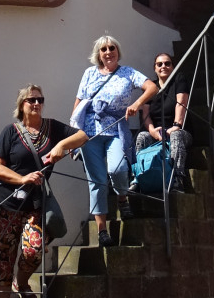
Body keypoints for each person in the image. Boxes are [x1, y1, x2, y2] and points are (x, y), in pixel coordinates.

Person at [0, 84, 86, 298]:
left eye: (40, 99)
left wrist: (61, 146)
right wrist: (22, 178)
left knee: (34, 249)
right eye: (31, 100)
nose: (36, 104)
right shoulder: (10, 132)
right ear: (21, 105)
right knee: (4, 260)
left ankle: (22, 284)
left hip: (35, 204)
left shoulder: (52, 128)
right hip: (8, 204)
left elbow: (82, 136)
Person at [73, 36, 156, 247]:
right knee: (97, 180)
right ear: (98, 54)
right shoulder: (89, 73)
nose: (108, 52)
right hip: (89, 132)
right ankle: (102, 231)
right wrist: (73, 132)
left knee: (118, 169)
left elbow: (151, 87)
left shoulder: (128, 72)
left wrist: (136, 104)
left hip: (116, 129)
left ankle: (121, 198)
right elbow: (79, 101)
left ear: (118, 51)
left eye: (112, 48)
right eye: (104, 49)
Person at [134, 53, 192, 191]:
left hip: (180, 131)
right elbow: (145, 114)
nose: (163, 66)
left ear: (172, 66)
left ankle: (177, 178)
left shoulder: (179, 80)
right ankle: (138, 177)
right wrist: (152, 131)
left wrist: (176, 125)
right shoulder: (152, 88)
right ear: (155, 68)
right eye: (159, 64)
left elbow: (181, 103)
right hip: (158, 134)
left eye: (167, 63)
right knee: (142, 136)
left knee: (176, 136)